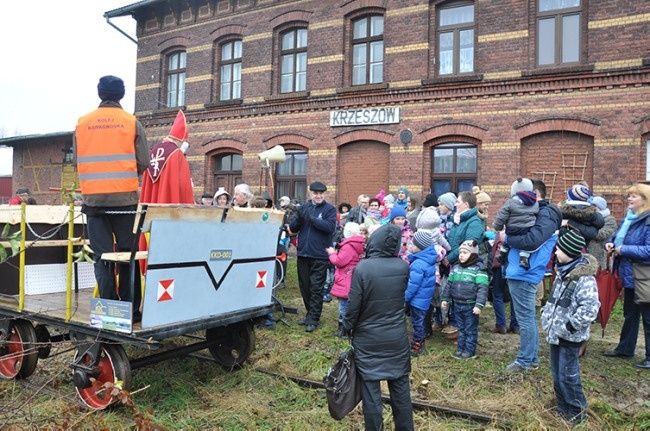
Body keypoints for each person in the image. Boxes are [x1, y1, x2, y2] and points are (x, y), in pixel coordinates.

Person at [74, 75, 149, 317]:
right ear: (121, 95)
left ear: (100, 93)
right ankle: (131, 310)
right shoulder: (131, 122)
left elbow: (78, 161)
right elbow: (144, 162)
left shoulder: (82, 124)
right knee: (128, 255)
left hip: (94, 202)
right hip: (125, 202)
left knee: (102, 257)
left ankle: (107, 310)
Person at [342, 224, 414, 431]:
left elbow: (353, 305)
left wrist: (347, 327)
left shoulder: (363, 268)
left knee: (371, 393)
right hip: (396, 336)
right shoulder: (403, 266)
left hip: (368, 337)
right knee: (401, 390)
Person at [541, 231, 600, 424]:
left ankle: (577, 413)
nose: (555, 251)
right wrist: (547, 317)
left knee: (568, 376)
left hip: (569, 336)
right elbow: (555, 301)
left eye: (558, 248)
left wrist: (570, 326)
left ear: (569, 251)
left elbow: (590, 308)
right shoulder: (563, 272)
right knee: (557, 375)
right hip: (556, 333)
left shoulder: (583, 278)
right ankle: (562, 407)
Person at [504, 179, 562, 373]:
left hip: (525, 273)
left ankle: (525, 361)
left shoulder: (546, 214)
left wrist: (507, 237)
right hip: (520, 271)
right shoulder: (538, 212)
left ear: (534, 193)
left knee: (526, 318)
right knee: (526, 317)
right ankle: (531, 358)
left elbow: (531, 241)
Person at [603, 183, 650, 369]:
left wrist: (624, 250)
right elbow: (617, 237)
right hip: (630, 274)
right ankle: (625, 349)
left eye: (634, 196)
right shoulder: (630, 219)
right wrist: (611, 243)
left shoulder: (647, 221)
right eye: (629, 196)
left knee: (647, 318)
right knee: (630, 314)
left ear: (645, 201)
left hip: (644, 276)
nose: (629, 199)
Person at [289, 181, 337, 333]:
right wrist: (300, 218)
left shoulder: (329, 209)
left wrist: (314, 219)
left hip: (319, 255)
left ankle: (314, 319)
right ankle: (310, 313)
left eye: (321, 193)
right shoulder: (304, 207)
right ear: (310, 194)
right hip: (303, 253)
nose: (318, 196)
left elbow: (329, 228)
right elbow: (293, 228)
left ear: (324, 194)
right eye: (315, 193)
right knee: (305, 287)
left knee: (316, 288)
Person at [441, 240, 489, 359]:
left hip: (470, 305)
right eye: (460, 252)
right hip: (457, 304)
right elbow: (449, 284)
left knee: (470, 329)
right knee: (460, 328)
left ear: (473, 255)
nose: (461, 255)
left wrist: (479, 305)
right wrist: (445, 299)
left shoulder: (479, 270)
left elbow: (482, 289)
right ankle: (461, 349)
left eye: (465, 253)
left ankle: (469, 350)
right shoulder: (456, 268)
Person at [139, 110, 195, 206]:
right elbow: (183, 184)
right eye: (184, 141)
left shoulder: (153, 151)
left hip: (151, 203)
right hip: (169, 205)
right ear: (180, 139)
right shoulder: (177, 153)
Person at [327, 222, 365, 338]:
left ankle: (344, 330)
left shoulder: (348, 246)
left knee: (343, 305)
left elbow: (339, 261)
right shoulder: (359, 244)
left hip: (345, 278)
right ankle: (350, 328)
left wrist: (332, 254)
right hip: (354, 278)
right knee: (351, 304)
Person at [493, 178, 539, 269]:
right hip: (527, 229)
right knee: (526, 244)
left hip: (512, 229)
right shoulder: (535, 203)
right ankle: (524, 259)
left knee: (507, 238)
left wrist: (498, 226)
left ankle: (502, 254)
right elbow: (536, 213)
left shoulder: (510, 202)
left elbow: (501, 216)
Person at [406, 231, 438, 357]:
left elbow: (413, 285)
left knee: (417, 321)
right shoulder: (428, 260)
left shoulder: (418, 264)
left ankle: (418, 343)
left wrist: (405, 297)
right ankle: (419, 339)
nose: (410, 246)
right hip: (424, 298)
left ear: (419, 247)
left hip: (417, 299)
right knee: (420, 320)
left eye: (413, 244)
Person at [489, 230, 519, 334]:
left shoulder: (501, 233)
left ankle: (501, 324)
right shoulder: (520, 230)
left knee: (497, 293)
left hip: (499, 264)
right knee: (514, 295)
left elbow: (495, 250)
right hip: (515, 264)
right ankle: (516, 325)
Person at [586, 196, 617, 270]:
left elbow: (602, 235)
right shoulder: (588, 218)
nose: (592, 208)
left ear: (600, 207)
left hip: (600, 258)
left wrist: (585, 229)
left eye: (594, 206)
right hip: (587, 256)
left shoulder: (610, 220)